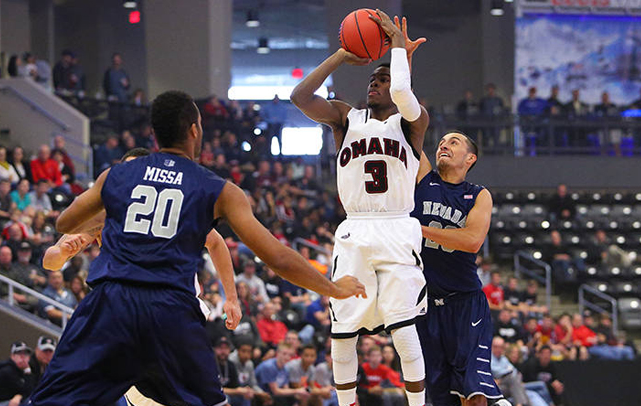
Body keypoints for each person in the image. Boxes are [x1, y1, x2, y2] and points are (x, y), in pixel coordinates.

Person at [28, 90, 364, 406]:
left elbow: (65, 222)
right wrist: (333, 288)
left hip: (110, 303)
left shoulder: (116, 175)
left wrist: (112, 213)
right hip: (169, 308)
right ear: (193, 130)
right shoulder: (218, 189)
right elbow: (277, 257)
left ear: (155, 134)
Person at [291, 11, 428, 406]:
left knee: (403, 329)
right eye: (373, 78)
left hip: (398, 226)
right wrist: (339, 56)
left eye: (382, 80)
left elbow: (404, 93)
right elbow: (299, 97)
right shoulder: (345, 117)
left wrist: (399, 50)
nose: (375, 84)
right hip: (355, 228)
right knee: (343, 329)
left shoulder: (411, 123)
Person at [411, 131, 508, 406]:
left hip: (465, 304)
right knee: (444, 398)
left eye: (453, 142)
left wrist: (417, 230)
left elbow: (472, 240)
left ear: (470, 158)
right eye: (441, 142)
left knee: (475, 394)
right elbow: (410, 133)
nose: (443, 145)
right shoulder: (424, 180)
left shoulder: (478, 195)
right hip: (426, 307)